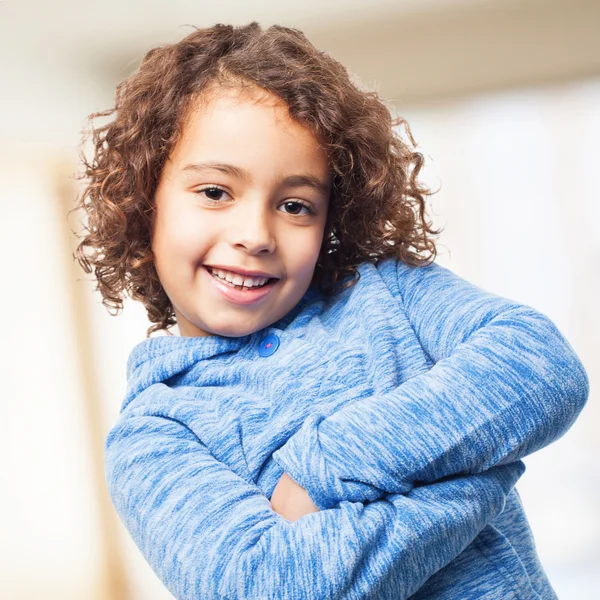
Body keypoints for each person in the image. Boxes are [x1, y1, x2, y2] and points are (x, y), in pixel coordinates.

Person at [73, 22, 589, 600]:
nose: (255, 234)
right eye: (215, 192)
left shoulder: (389, 292)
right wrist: (475, 475)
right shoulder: (154, 435)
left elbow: (540, 366)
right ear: (146, 205)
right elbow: (274, 588)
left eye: (295, 205)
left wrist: (327, 466)